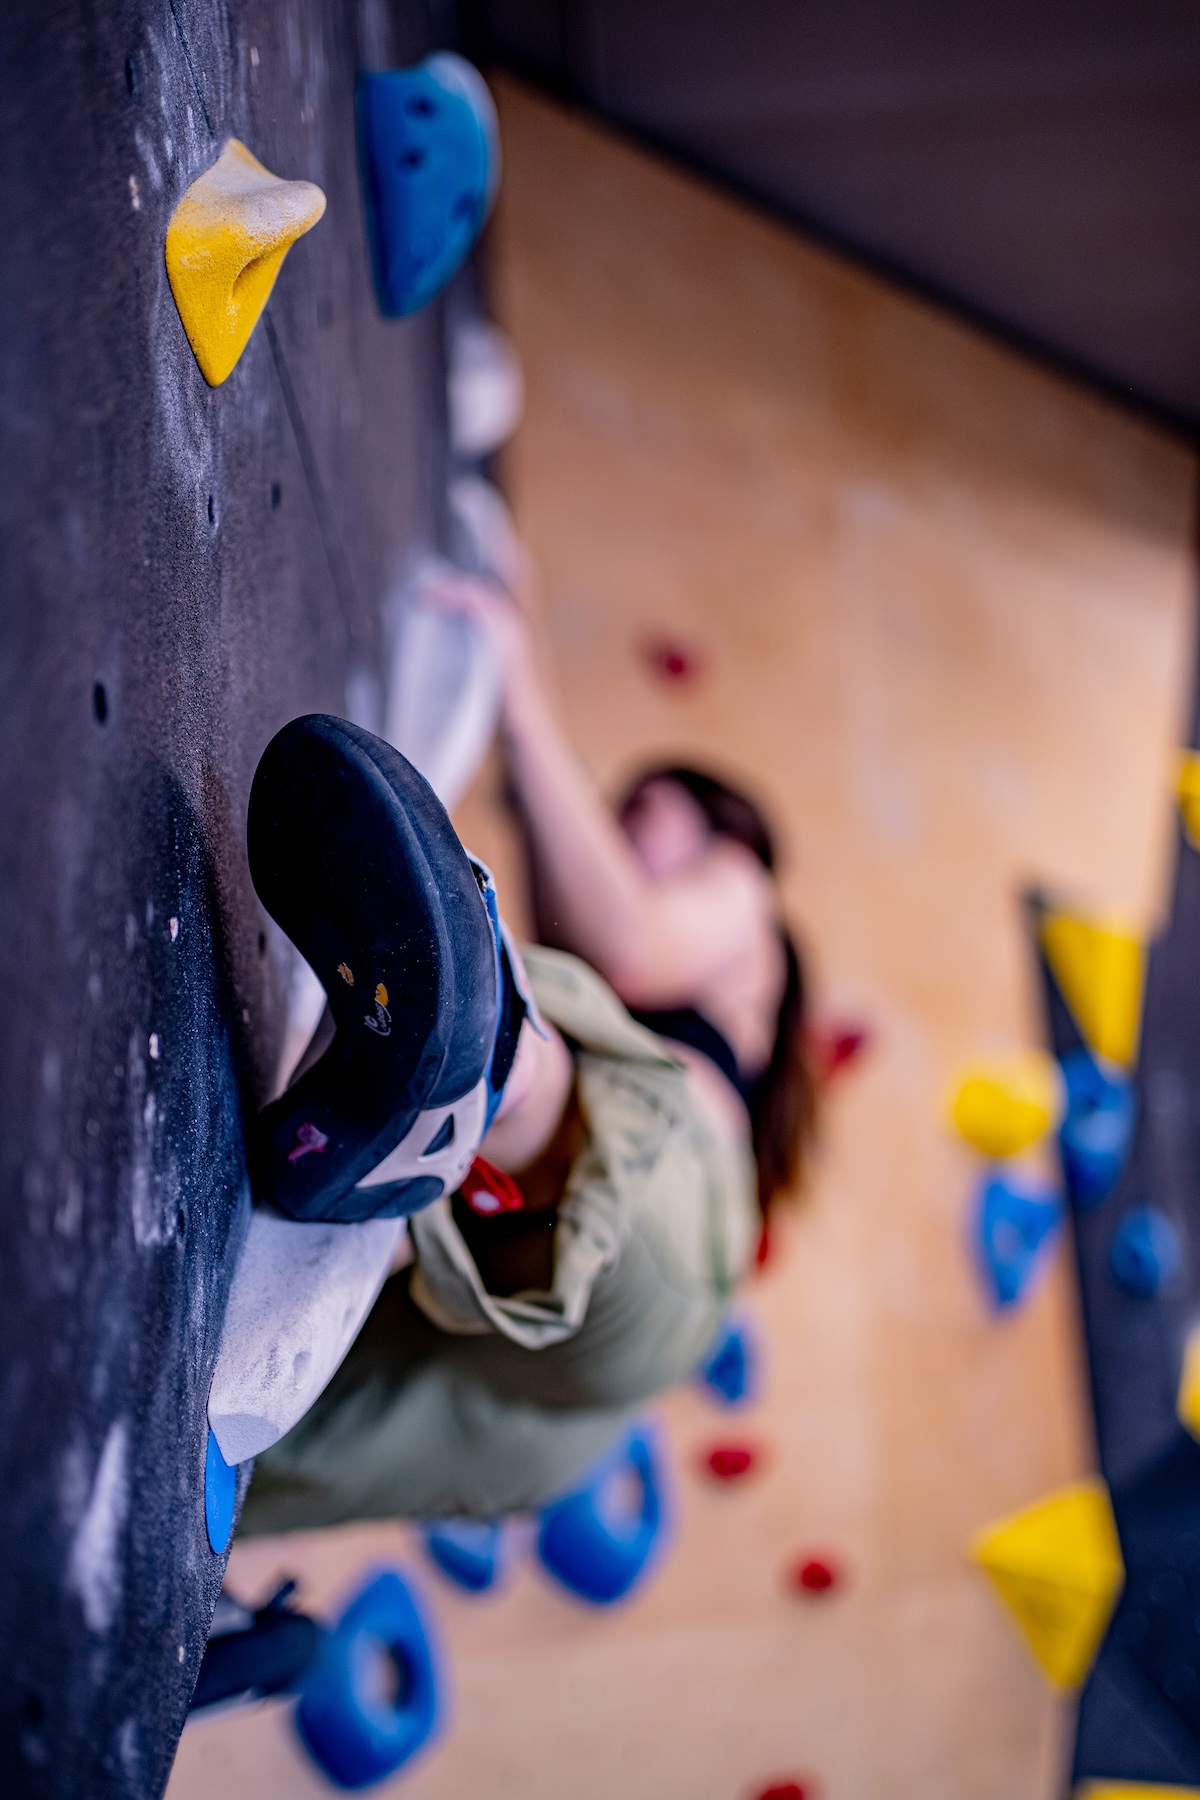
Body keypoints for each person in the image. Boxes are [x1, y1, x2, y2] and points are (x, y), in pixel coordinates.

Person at [238, 568, 815, 1534]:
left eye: (646, 815)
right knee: (241, 1425)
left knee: (517, 1024)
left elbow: (628, 944)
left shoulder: (744, 891)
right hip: (553, 1374)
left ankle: (483, 1074)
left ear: (722, 825)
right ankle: (467, 1079)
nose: (619, 834)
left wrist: (521, 676)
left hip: (657, 1231)